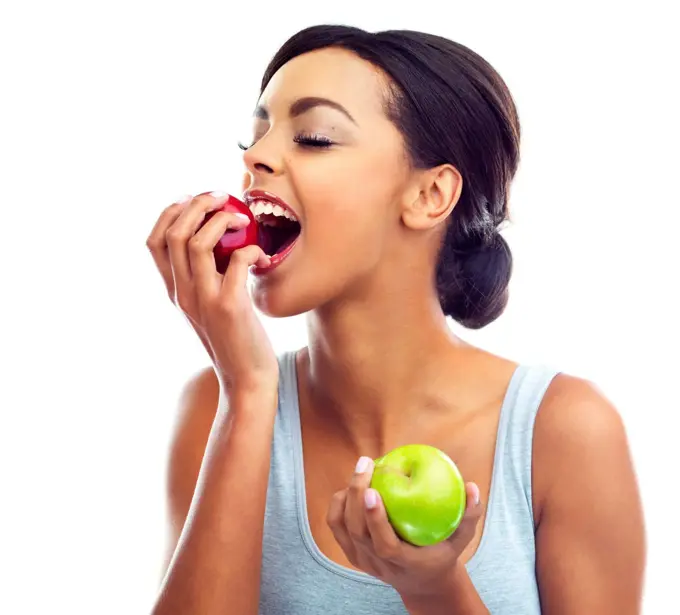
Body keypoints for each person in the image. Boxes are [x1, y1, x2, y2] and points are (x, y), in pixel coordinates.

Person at [146, 24, 645, 615]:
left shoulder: (565, 431)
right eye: (254, 138)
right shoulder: (217, 407)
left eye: (313, 137)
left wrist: (436, 589)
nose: (255, 157)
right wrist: (249, 392)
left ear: (430, 195)